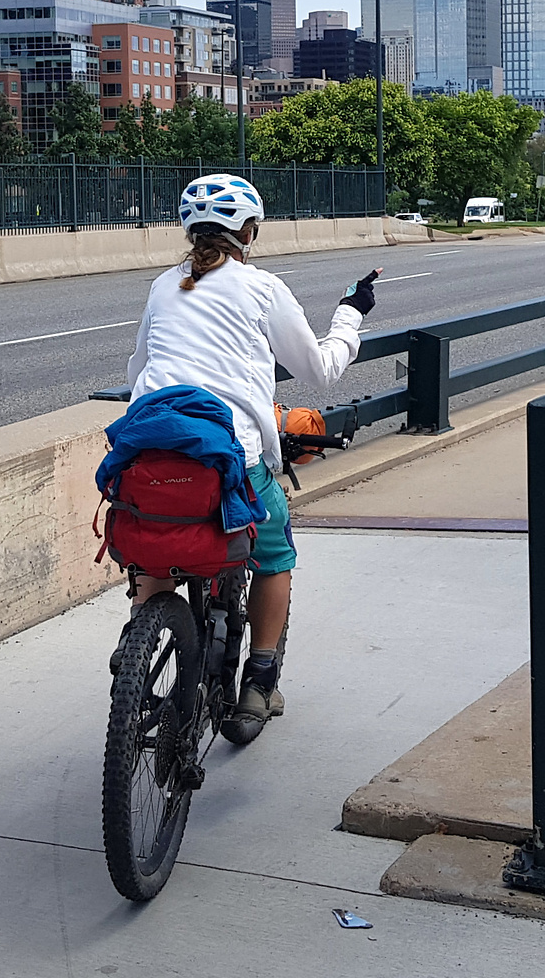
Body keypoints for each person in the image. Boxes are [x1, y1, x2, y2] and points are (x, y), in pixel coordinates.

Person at [115, 173, 379, 742]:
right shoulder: (261, 288)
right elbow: (318, 368)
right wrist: (351, 315)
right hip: (231, 453)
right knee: (274, 552)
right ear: (250, 232)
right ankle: (259, 677)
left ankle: (139, 646)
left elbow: (136, 371)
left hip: (150, 448)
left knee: (157, 541)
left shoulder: (164, 286)